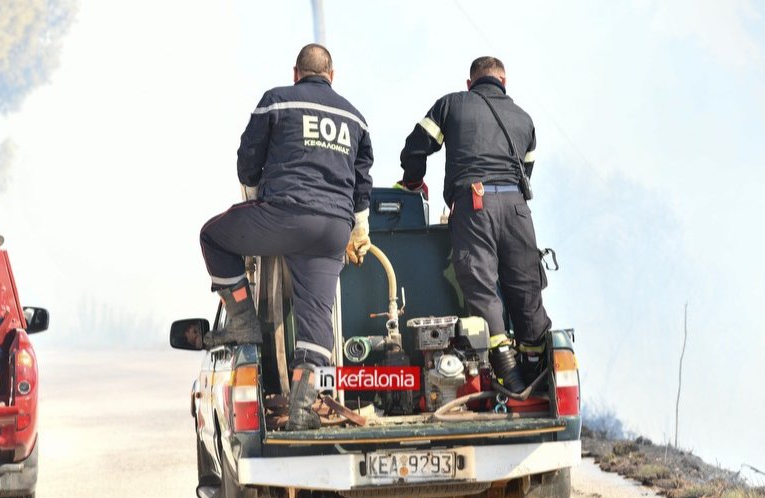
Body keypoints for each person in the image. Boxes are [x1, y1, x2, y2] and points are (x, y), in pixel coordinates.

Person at [200, 44, 374, 430]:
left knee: (213, 237)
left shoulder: (277, 101)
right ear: (332, 75)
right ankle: (301, 412)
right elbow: (363, 184)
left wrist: (252, 197)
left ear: (296, 73)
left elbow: (249, 158)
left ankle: (242, 320)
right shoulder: (355, 117)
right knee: (316, 323)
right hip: (333, 230)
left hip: (284, 216)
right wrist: (359, 228)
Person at [398, 56, 550, 393]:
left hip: (474, 202)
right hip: (517, 208)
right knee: (526, 288)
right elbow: (527, 173)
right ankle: (534, 371)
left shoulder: (453, 104)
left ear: (470, 83)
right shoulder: (525, 119)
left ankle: (506, 369)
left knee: (480, 284)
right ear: (504, 82)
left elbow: (416, 146)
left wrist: (412, 181)